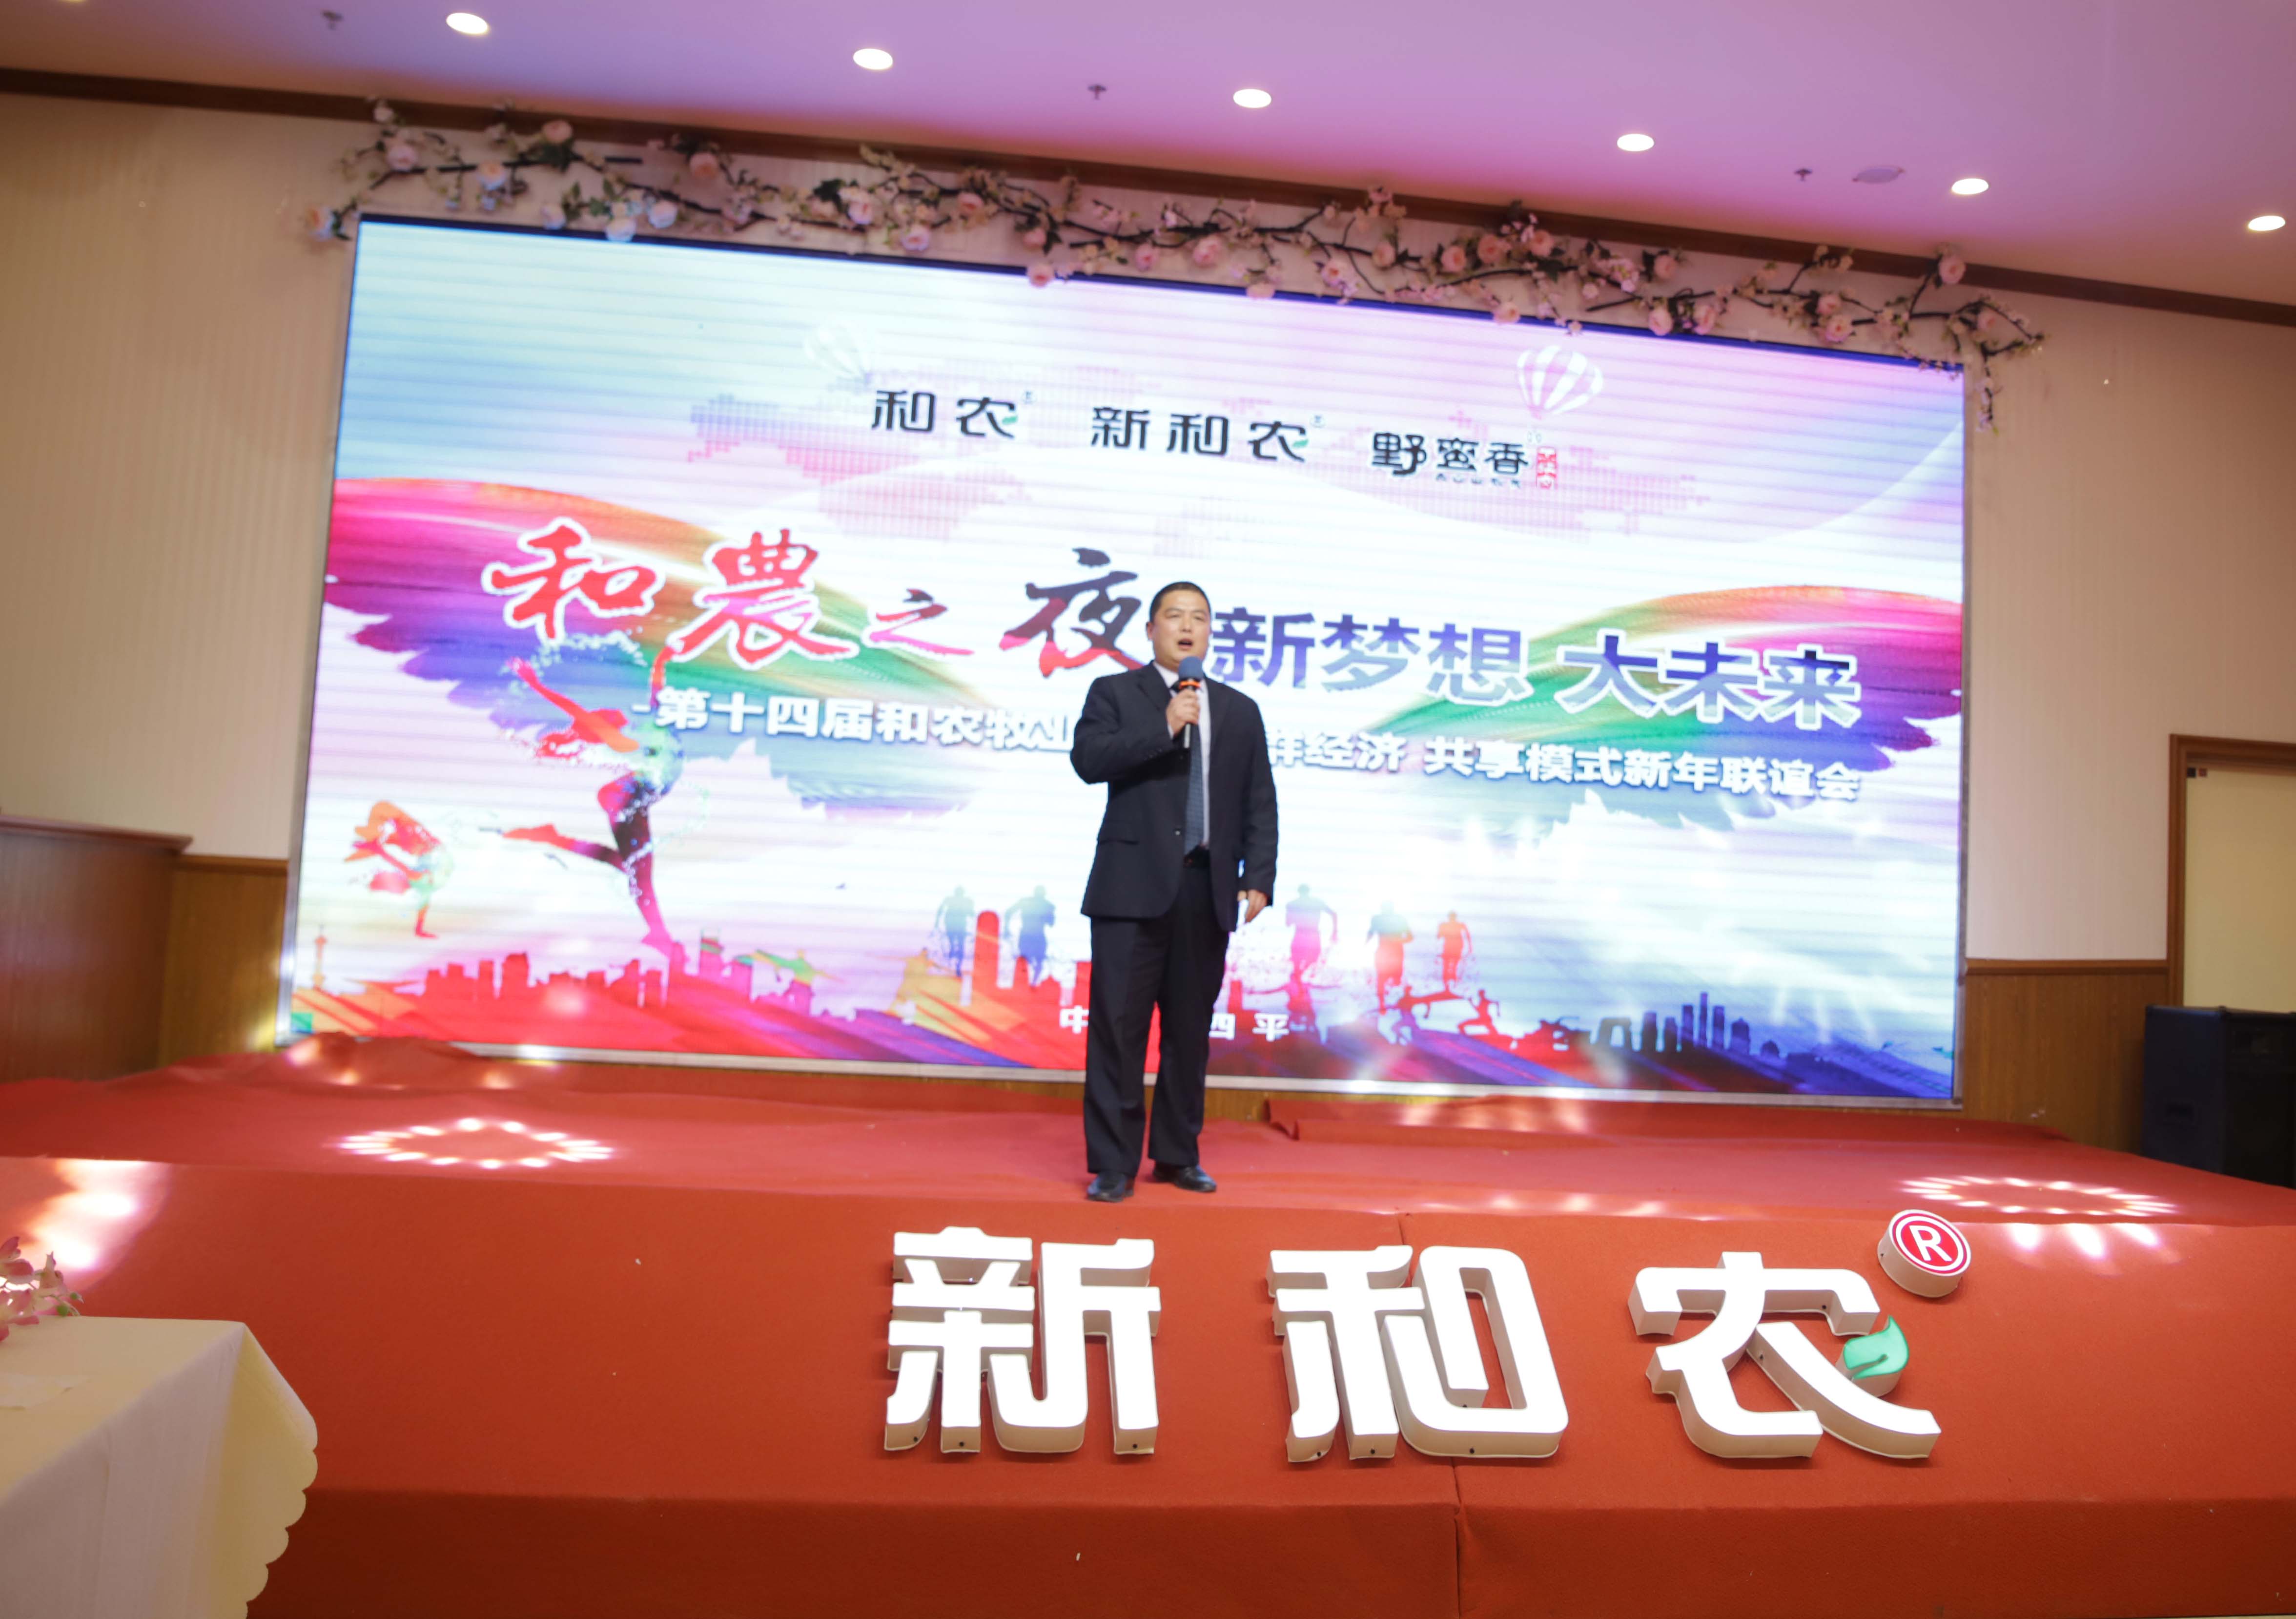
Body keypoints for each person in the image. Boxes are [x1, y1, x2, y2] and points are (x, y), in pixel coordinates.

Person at [1070, 581, 1277, 1202]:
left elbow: (1259, 798)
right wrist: (1165, 724)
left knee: (1189, 1032)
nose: (1188, 627)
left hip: (1206, 887)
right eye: (1175, 616)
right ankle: (1113, 1163)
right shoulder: (1114, 693)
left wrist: (1259, 875)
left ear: (1210, 632)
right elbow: (1089, 760)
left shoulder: (1239, 710)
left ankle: (1177, 1154)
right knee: (1119, 1029)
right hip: (1129, 888)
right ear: (1151, 630)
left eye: (1199, 618)